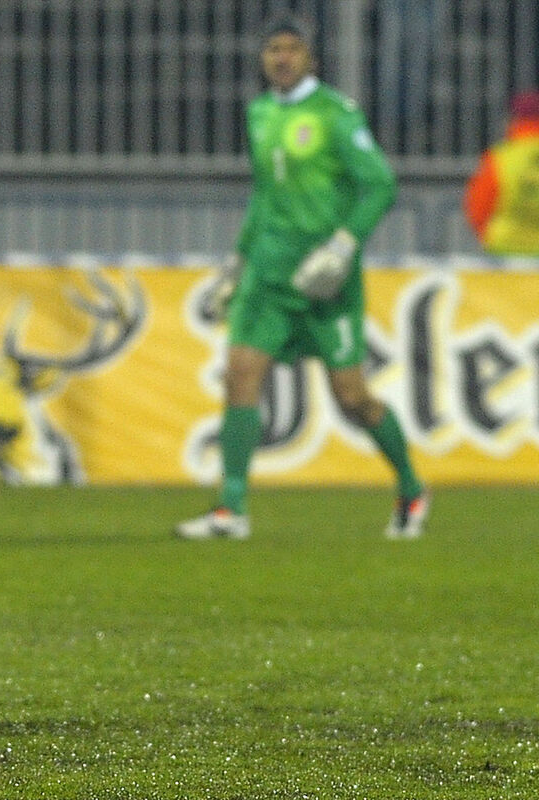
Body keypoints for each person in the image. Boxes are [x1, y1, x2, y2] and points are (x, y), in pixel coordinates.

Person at [177, 15, 428, 541]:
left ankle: (410, 488)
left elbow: (381, 184)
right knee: (240, 375)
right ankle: (230, 510)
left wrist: (344, 244)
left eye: (293, 48)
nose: (283, 57)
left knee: (352, 398)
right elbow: (264, 194)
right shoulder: (260, 112)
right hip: (268, 276)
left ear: (311, 57)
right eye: (274, 48)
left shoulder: (336, 113)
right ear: (262, 58)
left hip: (324, 282)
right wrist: (239, 261)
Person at [464, 90, 539, 255]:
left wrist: (488, 236)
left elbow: (478, 209)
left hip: (506, 253)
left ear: (514, 119)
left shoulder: (500, 158)